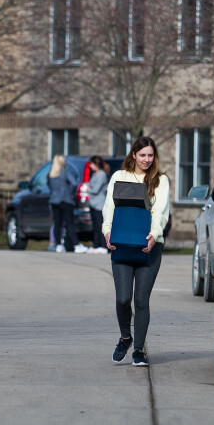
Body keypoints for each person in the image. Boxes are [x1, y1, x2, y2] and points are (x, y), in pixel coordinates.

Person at [102, 137, 170, 367]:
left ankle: (139, 350)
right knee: (123, 298)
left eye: (150, 155)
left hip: (150, 247)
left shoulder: (161, 180)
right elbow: (109, 207)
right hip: (121, 244)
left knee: (141, 300)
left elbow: (160, 211)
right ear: (133, 155)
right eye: (142, 155)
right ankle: (125, 338)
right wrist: (107, 231)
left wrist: (153, 235)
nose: (147, 160)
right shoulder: (119, 177)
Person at [47, 154, 79, 253]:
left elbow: (50, 187)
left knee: (57, 224)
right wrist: (71, 193)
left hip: (54, 201)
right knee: (69, 223)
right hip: (66, 200)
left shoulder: (50, 175)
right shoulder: (65, 172)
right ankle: (76, 244)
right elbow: (74, 183)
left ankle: (58, 245)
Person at [87, 156, 110, 253]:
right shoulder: (94, 174)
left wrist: (88, 189)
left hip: (99, 204)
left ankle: (103, 246)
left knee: (101, 226)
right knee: (95, 227)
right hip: (93, 203)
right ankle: (96, 245)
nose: (90, 166)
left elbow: (96, 190)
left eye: (91, 164)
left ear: (95, 164)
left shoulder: (101, 174)